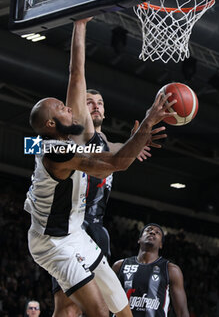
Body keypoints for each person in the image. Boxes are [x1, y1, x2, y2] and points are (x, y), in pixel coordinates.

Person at [24, 17, 177, 317]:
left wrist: (80, 24)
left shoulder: (88, 137)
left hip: (79, 231)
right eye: (63, 107)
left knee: (121, 309)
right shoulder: (59, 151)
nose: (72, 106)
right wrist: (147, 121)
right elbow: (117, 163)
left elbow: (75, 73)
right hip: (53, 241)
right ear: (53, 123)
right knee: (90, 311)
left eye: (97, 102)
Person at [52, 88, 163, 317]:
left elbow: (120, 157)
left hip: (97, 230)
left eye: (100, 102)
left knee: (98, 307)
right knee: (68, 307)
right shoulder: (71, 137)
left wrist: (139, 138)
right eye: (89, 102)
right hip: (72, 227)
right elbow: (119, 159)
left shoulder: (106, 144)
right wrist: (143, 128)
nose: (96, 106)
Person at [112, 223, 190, 317]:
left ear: (161, 244)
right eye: (148, 230)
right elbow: (105, 300)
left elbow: (182, 312)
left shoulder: (171, 270)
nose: (152, 232)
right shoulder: (120, 265)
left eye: (157, 232)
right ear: (139, 239)